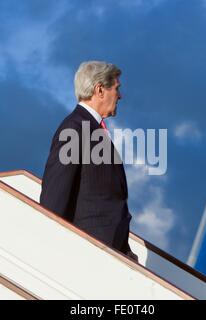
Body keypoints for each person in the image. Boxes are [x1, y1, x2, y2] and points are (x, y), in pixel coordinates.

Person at [40, 61, 138, 261]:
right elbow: (55, 196)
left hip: (109, 250)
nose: (120, 96)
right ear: (100, 90)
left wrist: (125, 251)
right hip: (89, 252)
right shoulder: (74, 129)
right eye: (117, 89)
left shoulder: (92, 128)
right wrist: (53, 251)